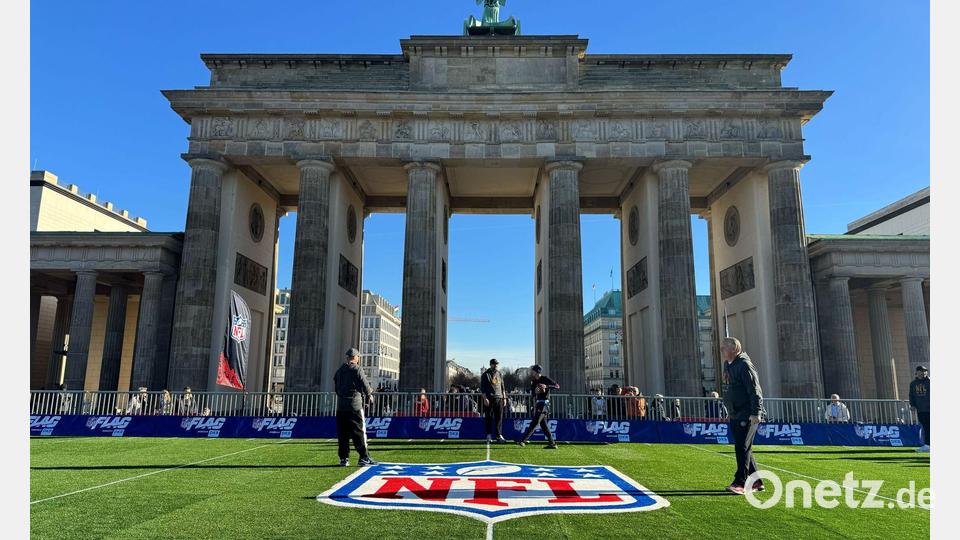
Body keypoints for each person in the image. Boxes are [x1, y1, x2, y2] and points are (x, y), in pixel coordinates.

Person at [720, 337, 765, 495]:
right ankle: (757, 482)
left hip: (747, 414)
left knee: (742, 447)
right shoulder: (728, 365)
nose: (721, 351)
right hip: (735, 413)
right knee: (745, 447)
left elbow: (755, 390)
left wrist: (756, 412)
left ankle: (741, 482)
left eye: (724, 348)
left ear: (734, 349)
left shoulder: (744, 365)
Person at [334, 348, 377, 467]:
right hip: (355, 406)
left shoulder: (340, 370)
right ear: (356, 358)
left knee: (343, 434)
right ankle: (363, 457)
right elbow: (364, 384)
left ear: (347, 357)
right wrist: (369, 394)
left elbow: (336, 387)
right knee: (359, 432)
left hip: (341, 406)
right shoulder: (357, 369)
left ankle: (344, 458)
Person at [516, 365, 559, 449]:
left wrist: (546, 386)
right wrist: (535, 391)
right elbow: (532, 394)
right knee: (544, 426)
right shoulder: (533, 381)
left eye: (533, 370)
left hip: (544, 404)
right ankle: (552, 443)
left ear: (537, 371)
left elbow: (557, 386)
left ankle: (523, 440)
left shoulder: (545, 379)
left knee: (535, 422)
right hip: (538, 404)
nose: (532, 372)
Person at [480, 359, 507, 442]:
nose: (496, 365)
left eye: (497, 364)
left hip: (499, 398)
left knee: (499, 418)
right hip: (489, 398)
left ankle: (499, 435)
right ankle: (489, 435)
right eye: (494, 364)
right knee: (489, 417)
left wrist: (504, 398)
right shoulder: (485, 374)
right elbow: (483, 388)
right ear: (491, 364)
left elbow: (503, 387)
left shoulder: (499, 374)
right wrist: (485, 398)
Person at [909, 365, 930, 452]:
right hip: (921, 409)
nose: (923, 373)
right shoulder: (913, 384)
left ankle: (927, 445)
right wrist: (912, 405)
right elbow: (911, 395)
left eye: (924, 371)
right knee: (925, 427)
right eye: (921, 371)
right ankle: (927, 445)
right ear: (916, 373)